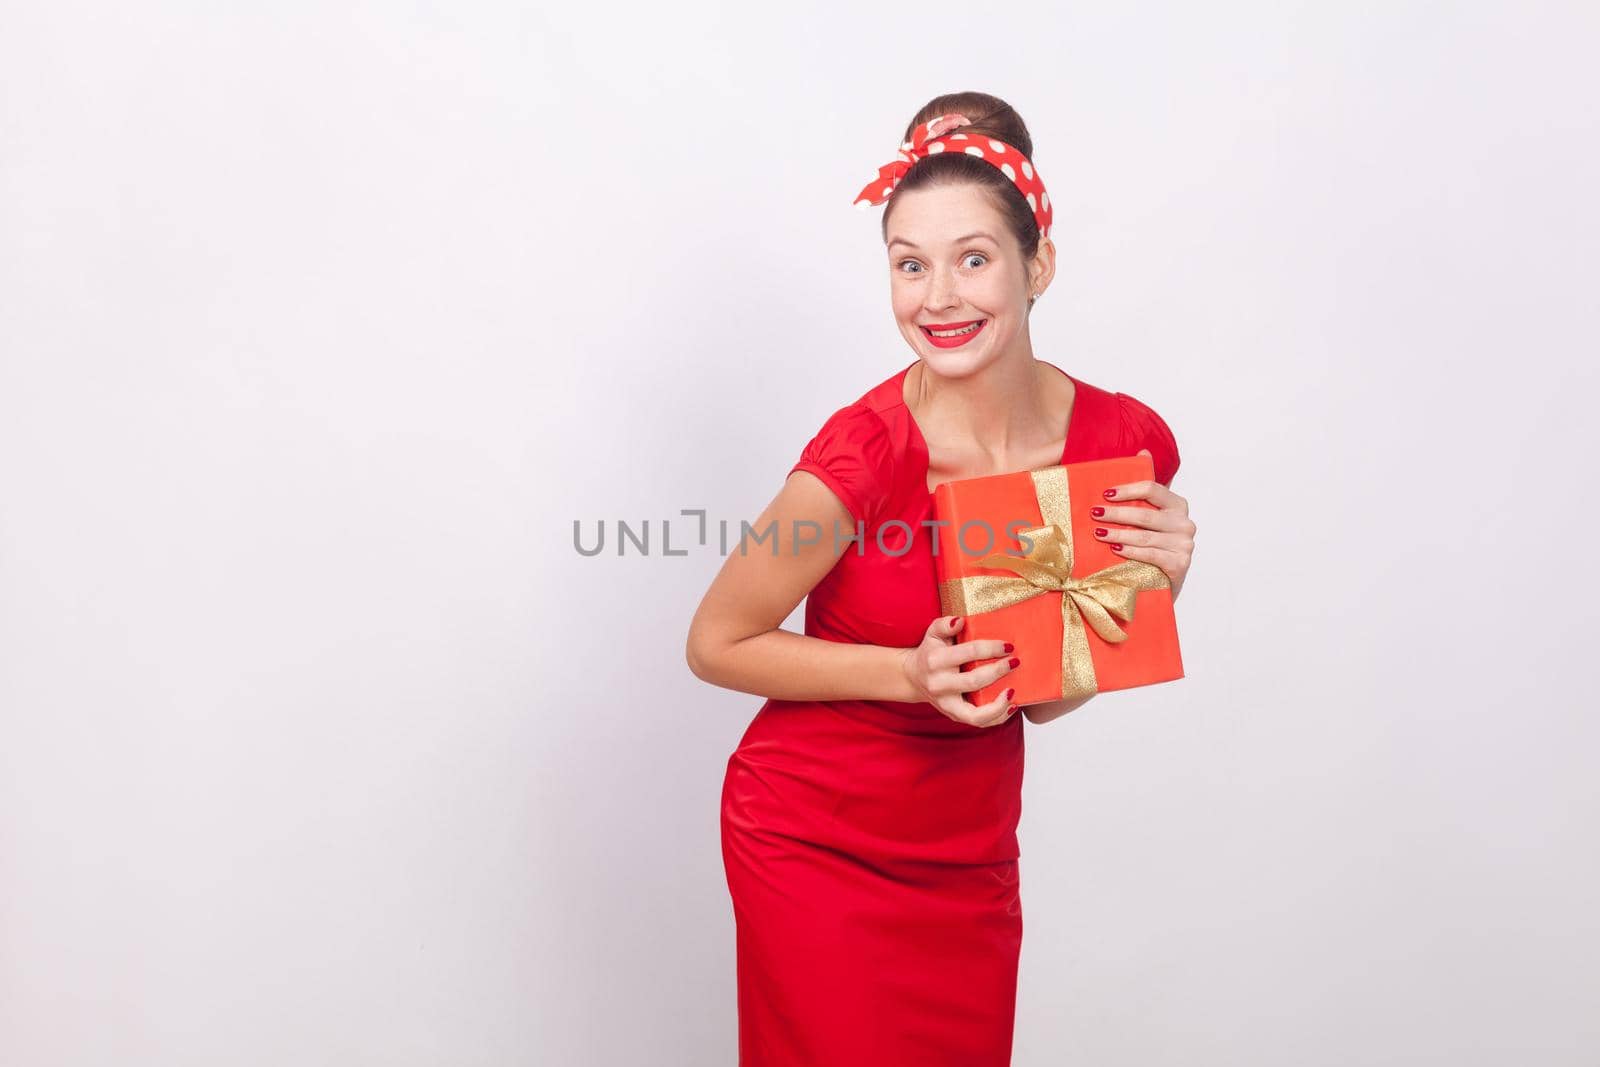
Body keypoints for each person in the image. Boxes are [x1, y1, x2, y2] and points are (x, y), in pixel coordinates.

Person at [685, 91, 1198, 1065]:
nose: (937, 297)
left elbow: (1036, 701)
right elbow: (715, 640)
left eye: (972, 259)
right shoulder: (867, 451)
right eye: (908, 265)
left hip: (964, 852)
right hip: (814, 837)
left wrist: (1154, 586)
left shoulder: (1119, 443)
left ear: (1036, 262)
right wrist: (905, 674)